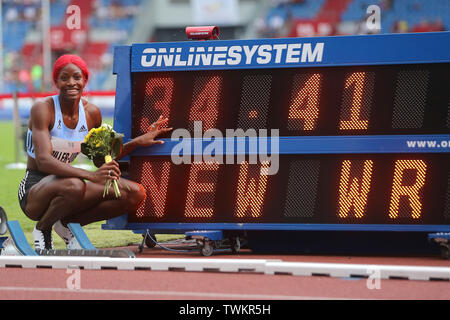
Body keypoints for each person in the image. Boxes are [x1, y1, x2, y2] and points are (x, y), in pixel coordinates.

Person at [18, 54, 172, 250]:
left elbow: (102, 160)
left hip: (70, 188)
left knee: (135, 194)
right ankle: (42, 228)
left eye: (76, 77)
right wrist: (91, 176)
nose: (71, 83)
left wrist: (138, 142)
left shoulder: (92, 114)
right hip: (35, 189)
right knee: (75, 185)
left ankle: (67, 225)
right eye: (64, 78)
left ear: (85, 80)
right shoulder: (43, 109)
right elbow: (43, 161)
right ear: (56, 81)